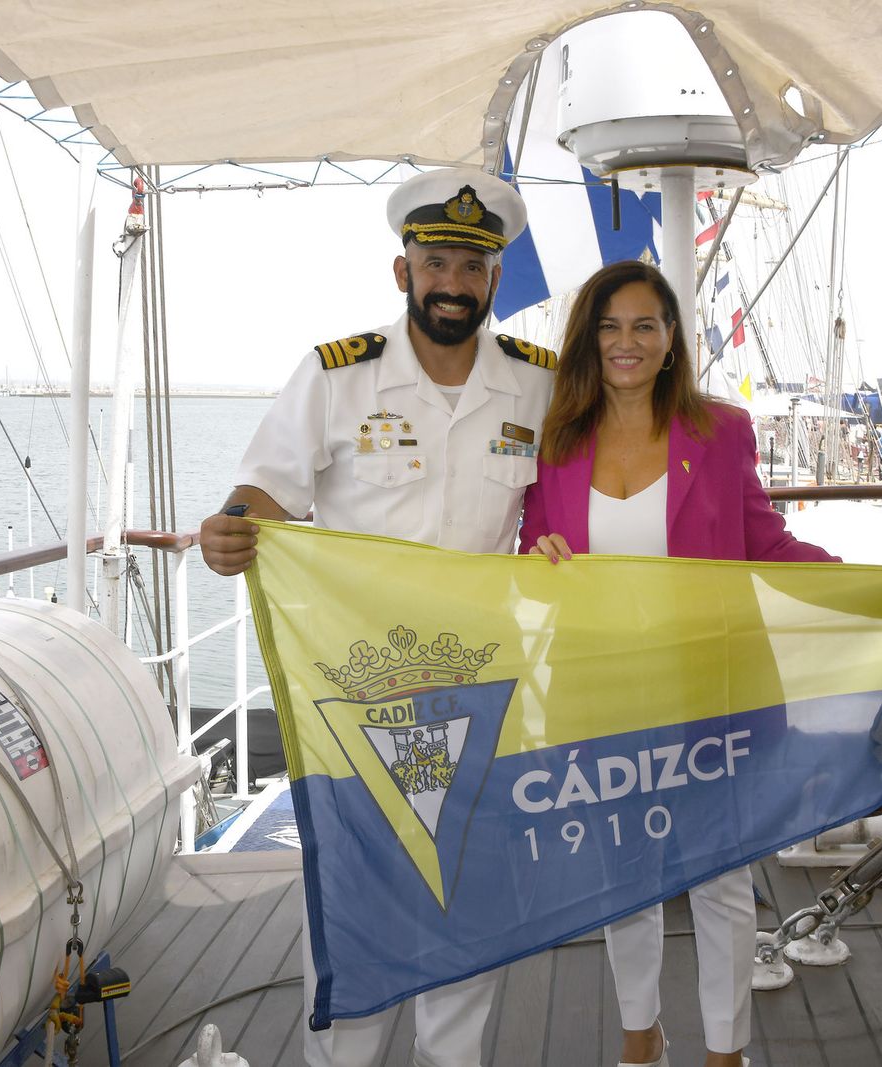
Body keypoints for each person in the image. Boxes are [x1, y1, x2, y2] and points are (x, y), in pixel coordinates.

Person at [518, 261, 882, 1067]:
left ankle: (726, 1051)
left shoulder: (719, 433)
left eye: (645, 325)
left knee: (720, 880)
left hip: (714, 691)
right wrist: (536, 553)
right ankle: (640, 1039)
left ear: (673, 337)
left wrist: (878, 587)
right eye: (609, 327)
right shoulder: (559, 441)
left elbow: (767, 546)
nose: (626, 342)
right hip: (605, 694)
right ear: (588, 341)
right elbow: (532, 552)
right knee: (627, 880)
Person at [198, 168, 555, 1067]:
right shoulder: (335, 376)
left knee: (461, 909)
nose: (452, 283)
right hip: (357, 692)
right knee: (354, 909)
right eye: (435, 262)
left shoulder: (538, 386)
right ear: (403, 272)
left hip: (479, 690)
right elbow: (265, 491)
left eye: (470, 268)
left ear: (494, 282)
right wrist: (232, 527)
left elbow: (587, 495)